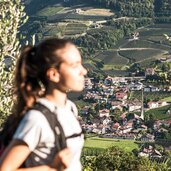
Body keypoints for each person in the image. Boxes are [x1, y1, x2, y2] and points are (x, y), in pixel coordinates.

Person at [0, 38, 87, 171]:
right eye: (75, 65)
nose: (84, 71)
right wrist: (51, 168)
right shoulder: (37, 119)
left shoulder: (70, 108)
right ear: (53, 74)